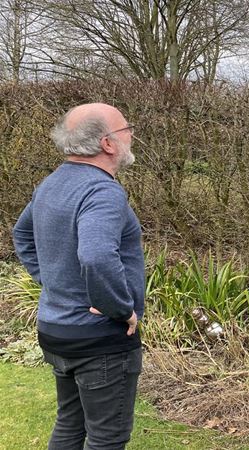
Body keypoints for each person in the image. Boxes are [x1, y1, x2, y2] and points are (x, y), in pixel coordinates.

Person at [12, 103, 144, 450]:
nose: (132, 135)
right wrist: (120, 308)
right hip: (97, 339)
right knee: (107, 438)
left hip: (58, 331)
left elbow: (21, 234)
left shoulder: (53, 183)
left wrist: (54, 282)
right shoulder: (102, 191)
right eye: (126, 129)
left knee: (70, 426)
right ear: (108, 144)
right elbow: (97, 256)